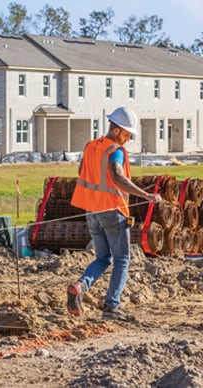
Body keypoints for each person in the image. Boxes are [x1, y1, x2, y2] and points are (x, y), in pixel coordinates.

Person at [67, 106, 162, 321]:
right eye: (128, 134)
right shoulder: (115, 150)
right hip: (113, 212)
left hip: (92, 212)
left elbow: (82, 170)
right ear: (118, 130)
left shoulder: (91, 146)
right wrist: (146, 196)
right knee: (122, 259)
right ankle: (111, 306)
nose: (128, 139)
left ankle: (80, 286)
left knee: (103, 257)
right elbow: (117, 175)